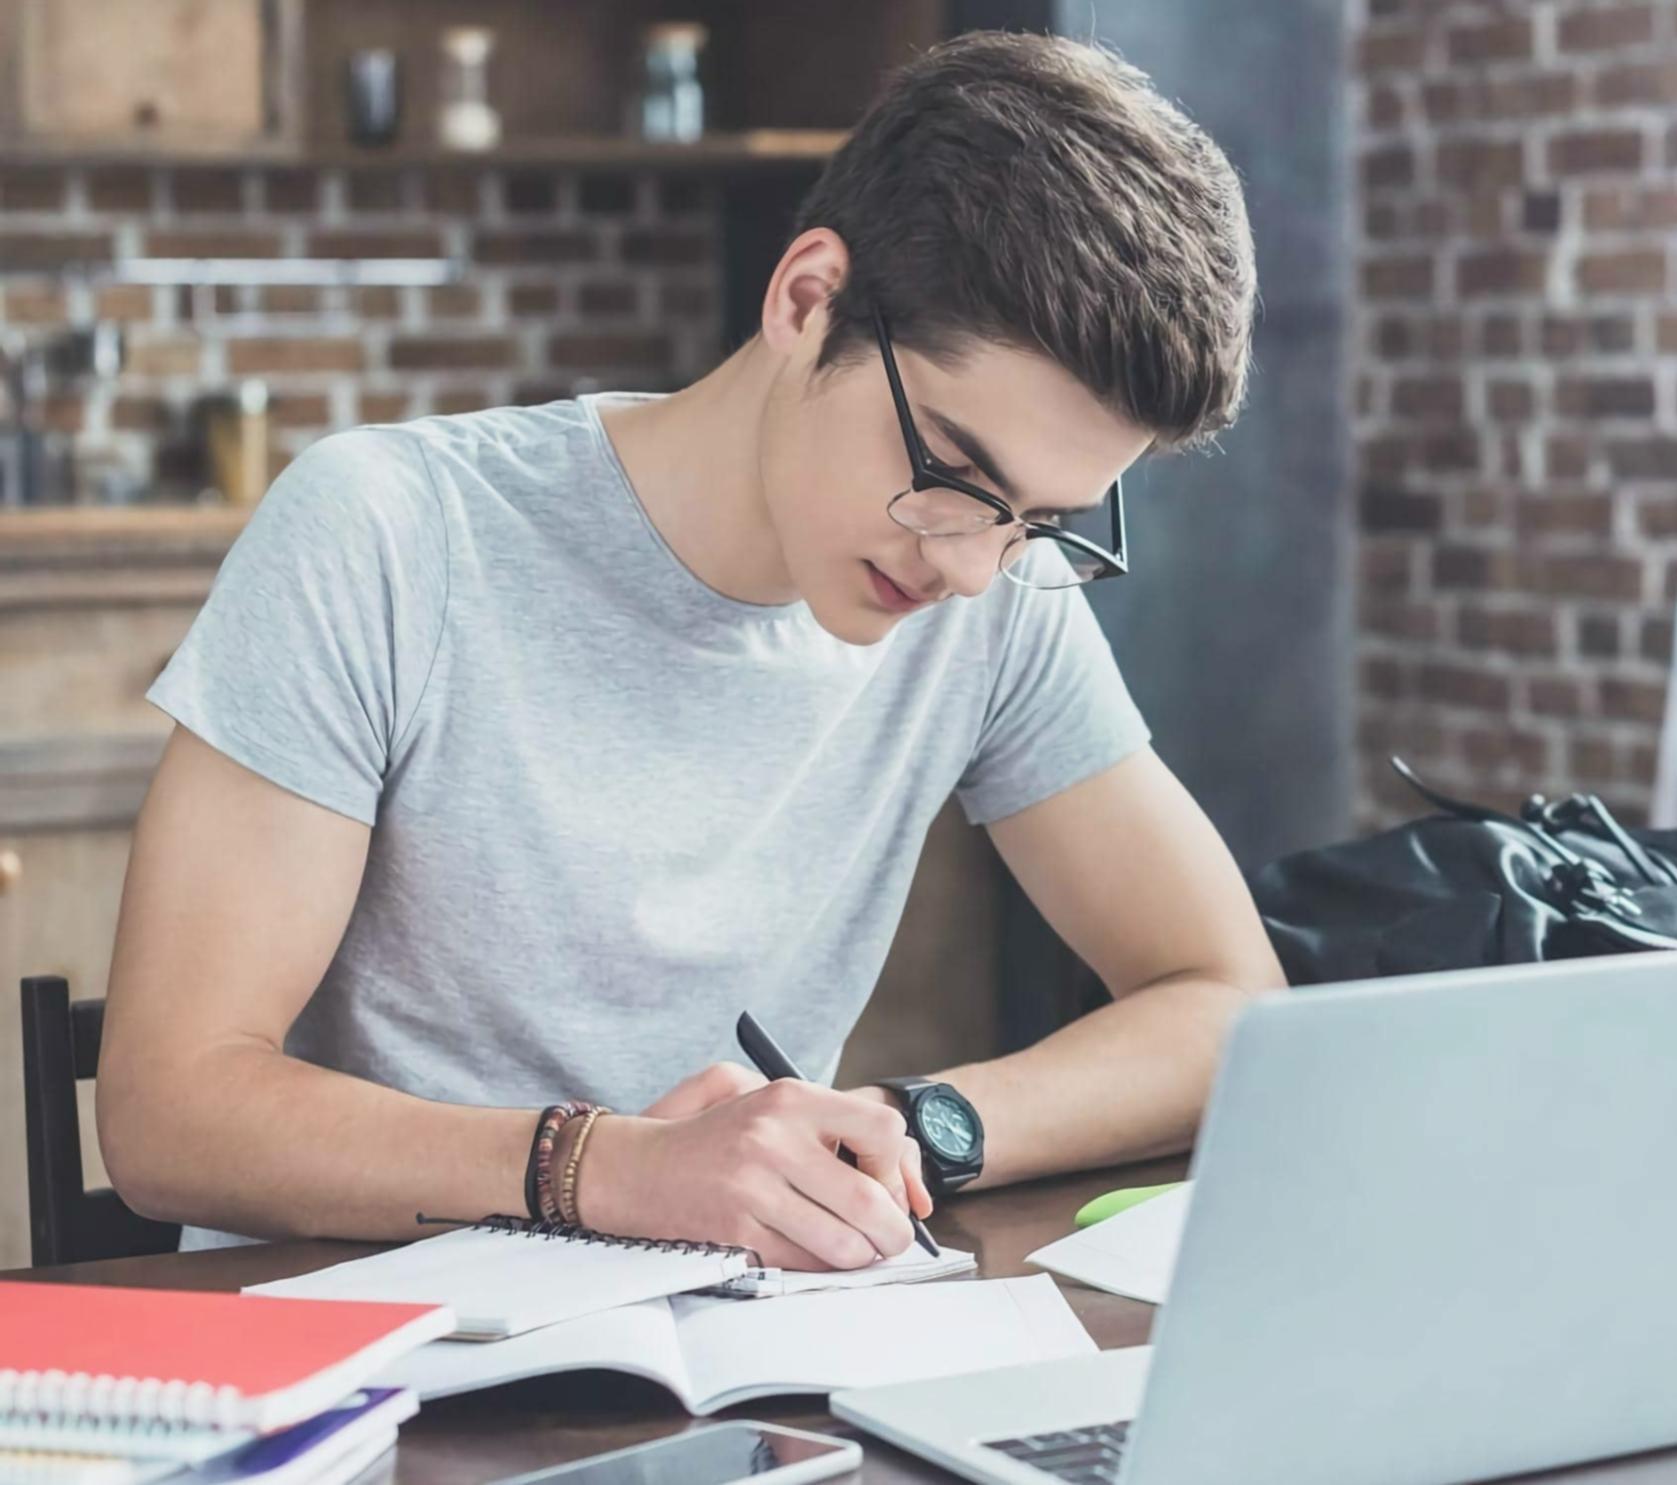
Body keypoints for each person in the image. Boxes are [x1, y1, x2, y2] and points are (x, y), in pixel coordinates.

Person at [95, 32, 1283, 1271]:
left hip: (733, 1368)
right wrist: (615, 1170)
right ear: (807, 299)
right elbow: (169, 1110)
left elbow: (1223, 996)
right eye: (953, 473)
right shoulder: (392, 532)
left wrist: (910, 1125)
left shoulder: (998, 590)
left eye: (1040, 520)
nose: (971, 567)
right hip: (356, 1370)